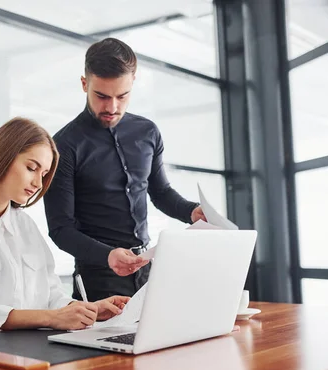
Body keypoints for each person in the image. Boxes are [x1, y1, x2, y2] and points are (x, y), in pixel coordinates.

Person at [0, 117, 129, 338]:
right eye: (31, 168)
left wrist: (87, 310)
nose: (38, 184)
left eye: (44, 174)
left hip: (23, 346)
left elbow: (51, 294)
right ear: (3, 157)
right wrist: (52, 318)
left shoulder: (25, 225)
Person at [44, 38, 206, 301]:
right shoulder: (63, 145)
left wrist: (191, 211)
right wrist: (108, 256)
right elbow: (61, 229)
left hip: (148, 268)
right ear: (84, 84)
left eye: (122, 96)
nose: (112, 107)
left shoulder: (148, 132)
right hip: (98, 276)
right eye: (102, 96)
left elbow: (161, 192)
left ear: (133, 82)